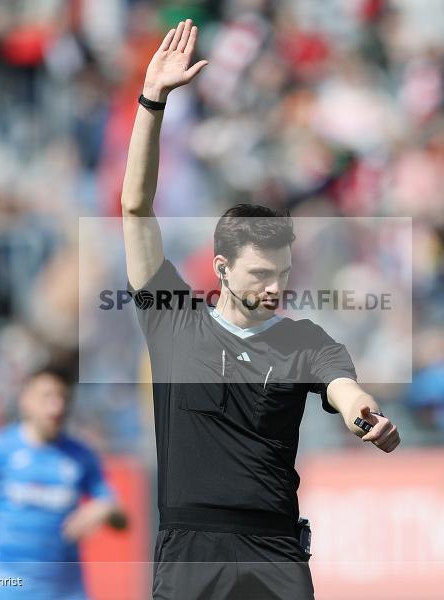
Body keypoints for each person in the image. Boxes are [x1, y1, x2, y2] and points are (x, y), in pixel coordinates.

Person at [121, 19, 401, 599]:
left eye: (281, 272)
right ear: (221, 269)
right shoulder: (174, 320)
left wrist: (362, 413)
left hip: (273, 548)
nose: (274, 285)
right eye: (259, 273)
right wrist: (152, 102)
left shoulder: (304, 341)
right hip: (191, 549)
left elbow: (342, 387)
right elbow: (134, 207)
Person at [0, 367, 127, 600]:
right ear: (25, 401)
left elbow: (122, 521)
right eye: (47, 397)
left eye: (62, 398)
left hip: (69, 593)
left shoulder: (82, 456)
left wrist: (106, 509)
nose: (56, 407)